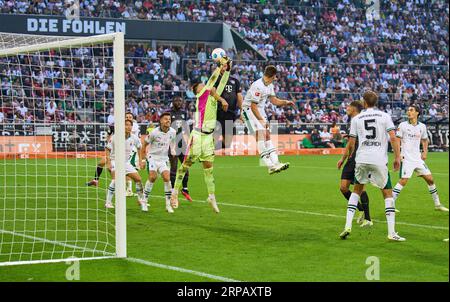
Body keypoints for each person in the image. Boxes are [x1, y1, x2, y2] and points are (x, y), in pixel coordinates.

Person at [339, 91, 404, 242]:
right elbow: (393, 137)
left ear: (364, 103)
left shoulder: (357, 118)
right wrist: (397, 157)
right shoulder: (384, 116)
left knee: (356, 191)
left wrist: (346, 158)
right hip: (379, 160)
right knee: (388, 195)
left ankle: (347, 226)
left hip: (361, 159)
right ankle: (391, 232)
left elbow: (352, 141)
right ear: (376, 102)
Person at [170, 56, 230, 213]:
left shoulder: (211, 97)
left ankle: (211, 196)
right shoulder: (201, 95)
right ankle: (175, 192)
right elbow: (212, 80)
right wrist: (220, 66)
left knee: (209, 168)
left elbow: (221, 82)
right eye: (202, 85)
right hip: (197, 136)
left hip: (208, 137)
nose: (206, 86)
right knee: (186, 165)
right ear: (198, 90)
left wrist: (227, 68)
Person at [392, 105, 448, 212]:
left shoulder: (422, 126)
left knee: (430, 179)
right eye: (408, 110)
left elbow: (425, 140)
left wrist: (425, 152)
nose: (409, 112)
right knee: (403, 181)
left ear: (417, 113)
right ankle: (391, 204)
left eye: (411, 110)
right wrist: (398, 156)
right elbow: (397, 140)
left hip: (417, 159)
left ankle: (437, 205)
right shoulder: (402, 125)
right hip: (406, 158)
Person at [241, 65, 296, 174]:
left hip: (259, 110)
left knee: (266, 135)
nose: (276, 79)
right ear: (271, 76)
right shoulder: (257, 86)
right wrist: (262, 121)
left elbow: (274, 100)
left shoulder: (269, 85)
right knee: (260, 135)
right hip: (248, 111)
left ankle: (276, 163)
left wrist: (285, 102)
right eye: (275, 76)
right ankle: (270, 166)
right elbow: (253, 106)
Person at [337, 101, 372, 228]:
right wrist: (343, 158)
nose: (346, 108)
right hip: (351, 158)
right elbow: (349, 142)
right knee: (343, 188)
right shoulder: (351, 121)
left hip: (361, 157)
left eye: (348, 107)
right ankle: (361, 209)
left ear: (354, 108)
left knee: (360, 187)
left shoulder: (360, 120)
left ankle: (368, 218)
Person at [105, 119, 147, 211]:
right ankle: (108, 202)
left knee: (138, 179)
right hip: (115, 161)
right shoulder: (116, 137)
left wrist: (141, 161)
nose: (128, 127)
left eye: (130, 125)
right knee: (116, 180)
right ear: (122, 126)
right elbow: (107, 149)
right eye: (126, 125)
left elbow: (139, 147)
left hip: (126, 163)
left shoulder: (134, 137)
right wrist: (108, 162)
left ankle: (141, 200)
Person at [140, 112, 177, 213]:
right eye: (165, 119)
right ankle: (144, 201)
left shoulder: (173, 132)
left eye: (169, 119)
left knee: (167, 178)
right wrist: (143, 160)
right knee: (153, 177)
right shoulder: (154, 133)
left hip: (164, 158)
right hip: (153, 157)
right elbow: (144, 144)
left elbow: (173, 142)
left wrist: (173, 150)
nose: (168, 121)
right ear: (160, 121)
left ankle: (168, 205)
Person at [214, 58, 243, 150]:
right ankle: (209, 151)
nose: (224, 67)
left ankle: (218, 150)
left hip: (230, 113)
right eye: (222, 65)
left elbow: (239, 96)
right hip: (217, 112)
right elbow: (212, 92)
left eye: (226, 65)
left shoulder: (235, 81)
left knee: (227, 143)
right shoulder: (215, 79)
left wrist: (242, 110)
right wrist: (222, 100)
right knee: (214, 137)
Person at [169, 96, 192, 201]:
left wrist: (189, 140)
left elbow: (186, 128)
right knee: (174, 168)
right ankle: (173, 189)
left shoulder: (184, 113)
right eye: (176, 100)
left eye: (180, 101)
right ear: (173, 102)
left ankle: (185, 188)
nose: (178, 102)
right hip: (172, 143)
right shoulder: (168, 113)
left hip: (182, 143)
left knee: (185, 166)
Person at [125, 112, 141, 197]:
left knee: (133, 169)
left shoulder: (134, 125)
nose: (128, 118)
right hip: (128, 150)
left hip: (133, 148)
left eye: (130, 117)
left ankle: (129, 189)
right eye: (126, 117)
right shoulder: (126, 125)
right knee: (129, 169)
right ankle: (129, 190)